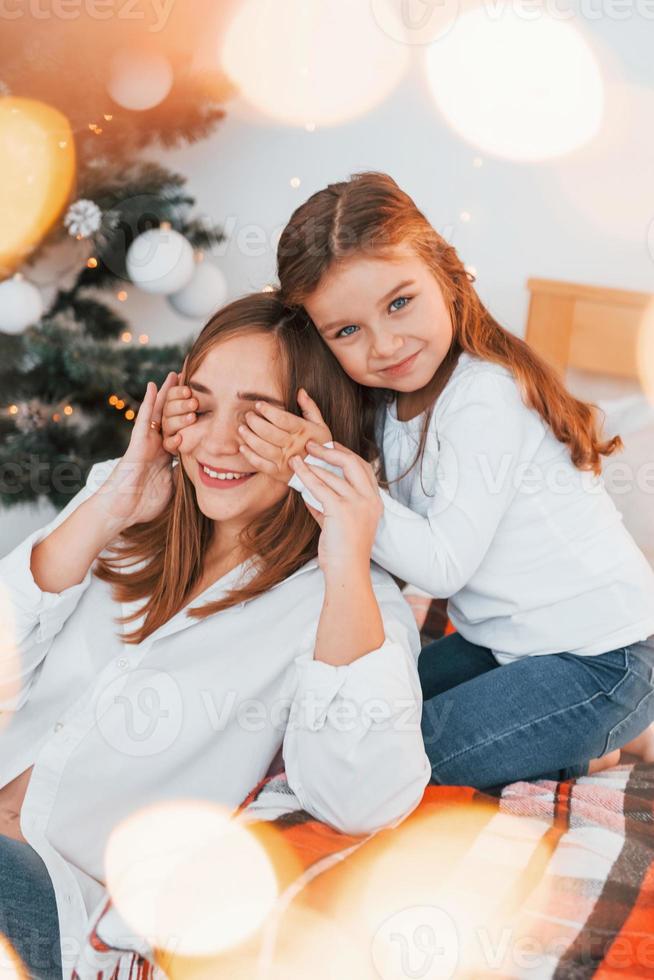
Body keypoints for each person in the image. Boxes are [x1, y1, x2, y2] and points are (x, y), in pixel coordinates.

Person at [162, 171, 654, 789]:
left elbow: (443, 568)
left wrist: (319, 470)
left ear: (446, 276)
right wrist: (196, 418)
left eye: (399, 303)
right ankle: (586, 736)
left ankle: (603, 734)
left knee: (400, 761)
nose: (386, 344)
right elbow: (270, 413)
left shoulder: (485, 399)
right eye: (348, 331)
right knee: (360, 719)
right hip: (500, 643)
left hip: (599, 656)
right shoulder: (386, 399)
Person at [0, 293, 431, 980]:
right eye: (200, 406)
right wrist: (113, 504)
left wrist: (346, 554)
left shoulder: (343, 599)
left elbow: (366, 796)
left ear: (321, 431)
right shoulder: (128, 500)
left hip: (49, 902)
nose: (218, 442)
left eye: (259, 416)